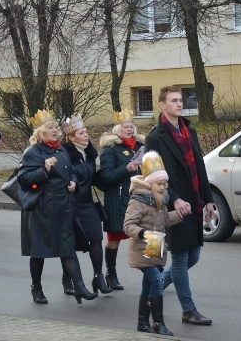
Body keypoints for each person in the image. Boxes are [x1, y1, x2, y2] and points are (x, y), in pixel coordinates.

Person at [145, 86, 214, 326]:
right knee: (182, 258)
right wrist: (173, 198)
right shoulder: (155, 136)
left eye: (180, 100)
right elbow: (153, 174)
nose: (179, 104)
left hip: (193, 201)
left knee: (193, 255)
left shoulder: (189, 130)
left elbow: (199, 169)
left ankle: (156, 287)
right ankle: (188, 310)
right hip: (172, 205)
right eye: (173, 100)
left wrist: (208, 199)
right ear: (162, 105)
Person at [18, 109, 97, 305]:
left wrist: (74, 183)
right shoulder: (33, 152)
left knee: (67, 248)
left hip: (64, 207)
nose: (55, 130)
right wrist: (44, 169)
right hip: (42, 210)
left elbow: (72, 172)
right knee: (39, 251)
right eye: (50, 128)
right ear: (41, 132)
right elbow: (24, 178)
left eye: (55, 127)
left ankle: (79, 286)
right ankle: (36, 288)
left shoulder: (61, 150)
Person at [123, 151, 183, 336]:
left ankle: (142, 322)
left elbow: (164, 220)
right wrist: (142, 232)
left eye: (165, 184)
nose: (163, 187)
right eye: (160, 184)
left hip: (156, 249)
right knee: (157, 282)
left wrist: (180, 214)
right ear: (149, 183)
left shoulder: (160, 201)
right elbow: (128, 226)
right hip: (142, 249)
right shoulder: (137, 201)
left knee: (148, 286)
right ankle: (158, 323)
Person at [61, 115, 112, 296]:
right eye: (81, 133)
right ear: (71, 137)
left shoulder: (89, 154)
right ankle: (68, 278)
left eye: (86, 132)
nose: (86, 135)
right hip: (70, 204)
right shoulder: (65, 154)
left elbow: (93, 179)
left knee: (96, 239)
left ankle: (98, 277)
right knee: (70, 243)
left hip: (88, 203)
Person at [99, 108, 145, 291]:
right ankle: (111, 273)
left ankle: (153, 272)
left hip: (140, 198)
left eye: (131, 126)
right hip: (118, 199)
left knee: (146, 236)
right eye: (125, 127)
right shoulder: (110, 149)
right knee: (114, 238)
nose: (129, 129)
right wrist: (126, 168)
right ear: (117, 130)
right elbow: (106, 177)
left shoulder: (141, 146)